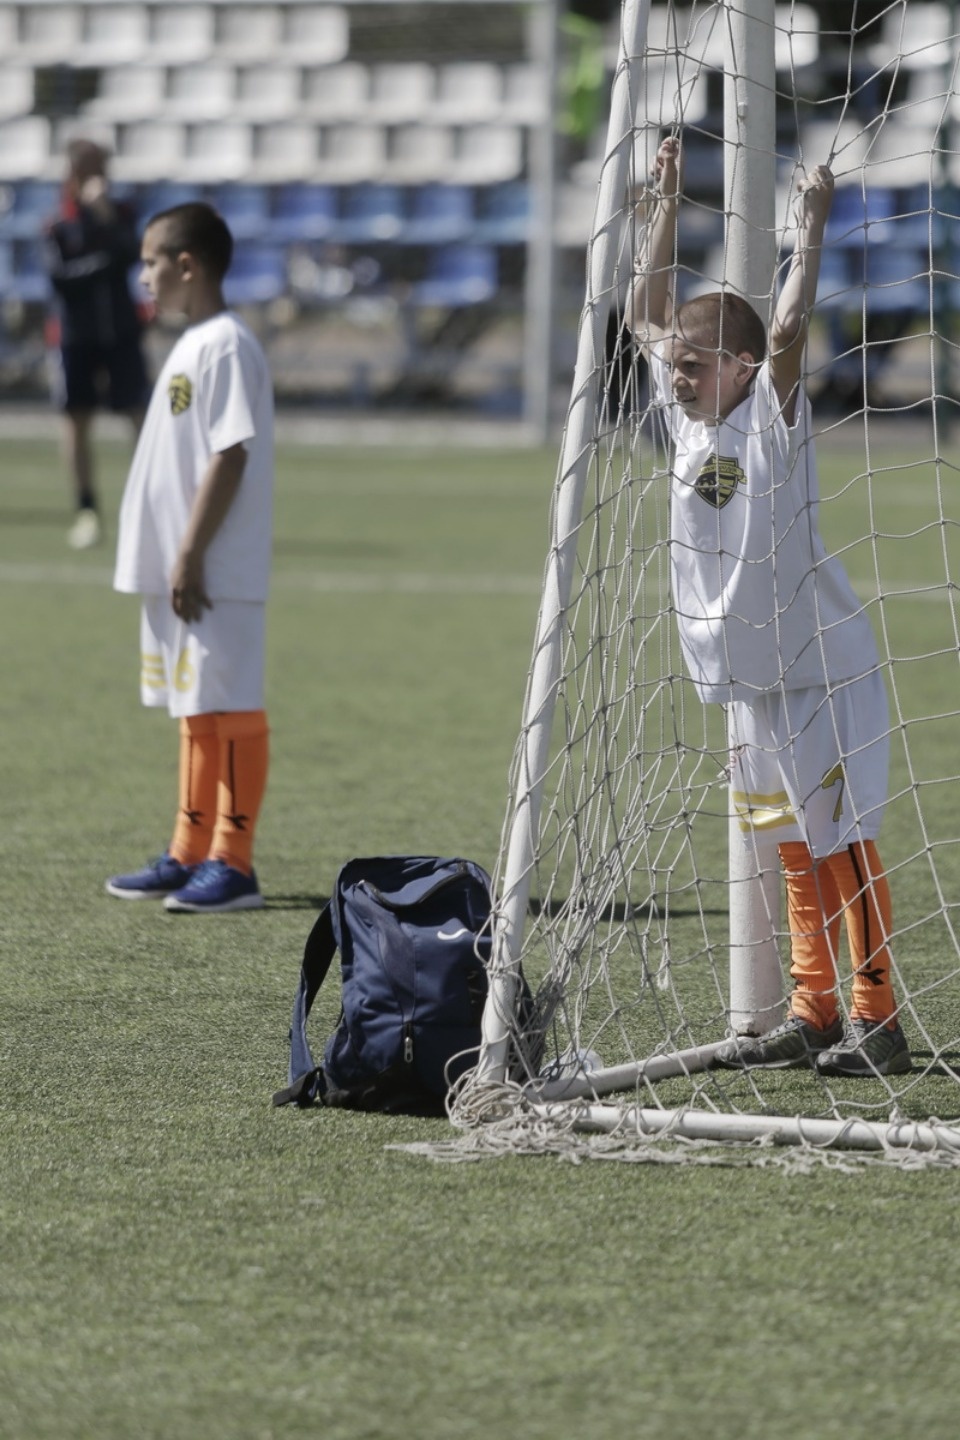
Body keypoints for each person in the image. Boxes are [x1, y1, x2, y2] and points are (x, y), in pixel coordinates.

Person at [628, 136, 911, 1077]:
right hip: (749, 680)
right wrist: (665, 205)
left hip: (818, 669)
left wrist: (810, 231)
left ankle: (878, 1017)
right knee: (786, 846)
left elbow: (788, 330)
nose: (678, 374)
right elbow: (644, 311)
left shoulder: (767, 418)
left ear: (744, 368)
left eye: (699, 362)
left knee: (841, 843)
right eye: (676, 363)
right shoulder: (686, 419)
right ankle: (812, 1008)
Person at [105, 202, 273, 913]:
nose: (141, 275)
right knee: (195, 704)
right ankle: (187, 848)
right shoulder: (191, 342)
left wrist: (191, 553)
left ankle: (233, 863)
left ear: (186, 265)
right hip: (186, 566)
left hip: (212, 568)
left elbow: (230, 453)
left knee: (228, 701)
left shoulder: (227, 344)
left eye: (150, 261)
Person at [45, 138, 149, 549]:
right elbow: (61, 279)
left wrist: (105, 216)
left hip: (122, 332)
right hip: (76, 336)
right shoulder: (57, 222)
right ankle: (86, 509)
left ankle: (149, 506)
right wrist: (102, 265)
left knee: (140, 416)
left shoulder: (120, 214)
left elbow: (134, 255)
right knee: (76, 420)